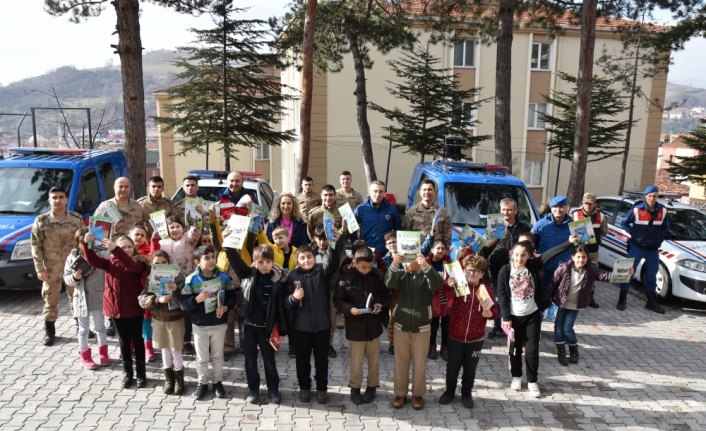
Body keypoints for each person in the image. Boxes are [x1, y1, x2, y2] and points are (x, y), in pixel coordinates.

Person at [83, 232, 151, 389]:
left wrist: (116, 249)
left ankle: (141, 374)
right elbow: (92, 260)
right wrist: (88, 244)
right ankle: (128, 373)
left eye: (129, 246)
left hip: (134, 309)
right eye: (122, 247)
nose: (126, 249)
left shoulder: (139, 262)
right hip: (115, 309)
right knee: (124, 341)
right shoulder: (109, 262)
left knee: (137, 340)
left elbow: (131, 265)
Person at [224, 244, 288, 405]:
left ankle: (273, 389)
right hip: (250, 326)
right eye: (260, 262)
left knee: (269, 361)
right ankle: (253, 389)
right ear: (254, 262)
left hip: (268, 328)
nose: (264, 265)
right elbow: (234, 258)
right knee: (250, 361)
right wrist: (229, 243)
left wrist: (282, 331)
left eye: (267, 261)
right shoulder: (248, 274)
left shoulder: (279, 279)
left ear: (273, 262)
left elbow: (281, 307)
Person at [284, 232, 343, 405]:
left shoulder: (321, 272)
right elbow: (285, 303)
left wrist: (334, 242)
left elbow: (332, 262)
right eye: (302, 258)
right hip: (301, 328)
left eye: (309, 257)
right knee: (302, 362)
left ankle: (322, 389)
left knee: (321, 361)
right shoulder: (293, 276)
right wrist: (293, 298)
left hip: (322, 326)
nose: (306, 260)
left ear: (314, 258)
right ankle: (304, 388)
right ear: (297, 260)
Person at [547, 245, 624, 366]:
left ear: (587, 258)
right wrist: (546, 300)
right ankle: (561, 352)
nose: (581, 260)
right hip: (560, 303)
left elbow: (603, 275)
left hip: (575, 305)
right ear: (573, 257)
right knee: (558, 328)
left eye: (583, 257)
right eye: (578, 257)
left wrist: (622, 273)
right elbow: (552, 283)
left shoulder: (591, 269)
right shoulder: (563, 268)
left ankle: (574, 350)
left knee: (567, 329)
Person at [439, 254, 499, 408]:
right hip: (454, 337)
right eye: (470, 270)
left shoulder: (486, 290)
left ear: (482, 274)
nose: (473, 274)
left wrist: (490, 314)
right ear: (464, 270)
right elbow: (445, 299)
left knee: (470, 370)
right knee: (452, 368)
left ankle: (467, 393)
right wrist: (448, 285)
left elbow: (495, 311)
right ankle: (449, 391)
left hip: (475, 340)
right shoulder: (459, 286)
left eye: (477, 271)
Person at [386, 252, 443, 410]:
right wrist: (395, 264)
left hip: (422, 328)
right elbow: (389, 283)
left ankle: (417, 395)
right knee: (400, 363)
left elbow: (438, 284)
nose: (407, 264)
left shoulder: (426, 275)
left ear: (419, 261)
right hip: (400, 327)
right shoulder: (401, 275)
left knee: (419, 364)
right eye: (405, 261)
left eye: (410, 261)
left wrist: (426, 266)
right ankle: (400, 393)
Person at [496, 241, 551, 398]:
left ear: (528, 256)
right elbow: (502, 295)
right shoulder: (505, 270)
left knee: (532, 350)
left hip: (532, 315)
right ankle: (516, 376)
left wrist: (569, 243)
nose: (520, 258)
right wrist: (506, 317)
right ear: (512, 254)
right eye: (517, 254)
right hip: (513, 317)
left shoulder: (532, 266)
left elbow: (549, 254)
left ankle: (533, 381)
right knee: (515, 349)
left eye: (523, 255)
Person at [181, 245, 237, 400]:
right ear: (198, 262)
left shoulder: (224, 278)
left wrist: (225, 308)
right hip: (200, 325)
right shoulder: (191, 280)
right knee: (202, 357)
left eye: (213, 257)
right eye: (207, 258)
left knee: (218, 356)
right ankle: (202, 383)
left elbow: (233, 297)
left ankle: (218, 382)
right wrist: (197, 299)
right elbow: (183, 304)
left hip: (219, 324)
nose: (212, 260)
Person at [31, 186, 85, 346]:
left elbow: (83, 243)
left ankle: (81, 328)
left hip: (73, 267)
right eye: (54, 197)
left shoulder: (76, 219)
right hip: (51, 268)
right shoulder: (42, 221)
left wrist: (84, 265)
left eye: (61, 197)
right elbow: (35, 245)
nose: (58, 200)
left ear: (67, 199)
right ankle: (49, 331)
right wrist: (39, 268)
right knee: (50, 299)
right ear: (49, 200)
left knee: (77, 297)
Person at [333, 246, 387, 405]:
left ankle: (372, 388)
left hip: (373, 327)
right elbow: (338, 301)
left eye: (370, 267)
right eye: (364, 267)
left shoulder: (376, 276)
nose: (367, 270)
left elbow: (382, 294)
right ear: (355, 263)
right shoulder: (345, 279)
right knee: (356, 362)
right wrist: (350, 309)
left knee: (374, 361)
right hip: (355, 327)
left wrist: (378, 304)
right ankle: (355, 388)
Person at [138, 251, 187, 396]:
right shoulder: (151, 279)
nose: (160, 266)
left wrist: (176, 291)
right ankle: (169, 379)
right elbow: (142, 299)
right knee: (164, 349)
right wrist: (156, 300)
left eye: (163, 263)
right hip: (159, 320)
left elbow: (187, 298)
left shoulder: (177, 277)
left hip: (175, 319)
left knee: (176, 349)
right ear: (153, 264)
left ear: (169, 263)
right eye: (157, 263)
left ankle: (179, 380)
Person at [619, 185, 670, 314]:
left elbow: (665, 227)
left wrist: (659, 239)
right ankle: (622, 298)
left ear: (657, 196)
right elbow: (623, 222)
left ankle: (651, 302)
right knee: (627, 272)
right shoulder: (637, 209)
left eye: (655, 196)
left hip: (652, 249)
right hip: (637, 246)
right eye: (650, 196)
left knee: (652, 274)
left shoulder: (663, 211)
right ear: (645, 197)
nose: (652, 198)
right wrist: (633, 233)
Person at [63, 227, 109, 370]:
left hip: (98, 296)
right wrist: (74, 278)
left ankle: (103, 353)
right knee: (83, 330)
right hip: (81, 299)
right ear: (77, 243)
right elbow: (66, 278)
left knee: (101, 327)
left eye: (88, 241)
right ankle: (85, 355)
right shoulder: (71, 258)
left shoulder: (101, 254)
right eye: (81, 242)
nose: (84, 244)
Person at [487, 198, 532, 339]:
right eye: (503, 210)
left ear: (516, 211)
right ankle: (497, 327)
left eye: (509, 210)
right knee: (498, 297)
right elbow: (486, 247)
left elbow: (529, 246)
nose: (506, 212)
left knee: (514, 297)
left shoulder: (524, 227)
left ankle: (512, 326)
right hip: (496, 267)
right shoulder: (495, 224)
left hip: (517, 269)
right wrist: (495, 237)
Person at [570, 192, 608, 308]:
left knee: (592, 275)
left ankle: (590, 298)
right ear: (582, 203)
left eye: (590, 204)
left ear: (595, 203)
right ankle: (574, 297)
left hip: (593, 252)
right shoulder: (574, 214)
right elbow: (568, 230)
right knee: (575, 274)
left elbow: (604, 231)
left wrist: (596, 238)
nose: (588, 206)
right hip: (578, 252)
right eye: (586, 203)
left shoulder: (600, 216)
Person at [531, 195, 572, 286]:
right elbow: (532, 245)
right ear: (551, 208)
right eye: (555, 207)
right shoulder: (541, 225)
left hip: (564, 271)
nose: (558, 209)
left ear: (567, 208)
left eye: (561, 206)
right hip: (544, 270)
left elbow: (582, 247)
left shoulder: (574, 225)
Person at [355, 181, 402, 256]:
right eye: (375, 191)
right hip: (366, 252)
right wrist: (357, 246)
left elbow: (399, 231)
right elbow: (352, 229)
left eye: (380, 192)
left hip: (387, 252)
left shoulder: (391, 209)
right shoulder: (360, 209)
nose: (377, 194)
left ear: (384, 193)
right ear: (370, 192)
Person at [404, 180, 452, 247]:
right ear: (420, 192)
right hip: (417, 250)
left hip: (435, 252)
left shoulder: (442, 211)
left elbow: (447, 234)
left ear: (435, 192)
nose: (427, 192)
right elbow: (406, 232)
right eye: (424, 190)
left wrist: (447, 249)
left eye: (430, 190)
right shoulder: (412, 211)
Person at [426, 240, 453, 361]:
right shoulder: (426, 263)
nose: (440, 250)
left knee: (447, 326)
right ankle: (431, 347)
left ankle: (445, 348)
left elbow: (454, 279)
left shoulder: (449, 263)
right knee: (433, 325)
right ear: (432, 250)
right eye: (438, 248)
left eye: (443, 248)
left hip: (447, 300)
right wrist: (445, 283)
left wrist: (451, 283)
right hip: (432, 300)